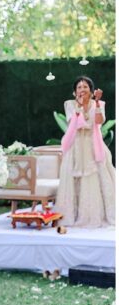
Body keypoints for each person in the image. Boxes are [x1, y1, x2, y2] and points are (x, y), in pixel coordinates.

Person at [57, 76, 115, 228]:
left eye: (85, 87)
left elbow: (98, 121)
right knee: (73, 180)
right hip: (76, 146)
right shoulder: (69, 104)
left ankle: (94, 214)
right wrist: (81, 107)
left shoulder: (99, 103)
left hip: (93, 145)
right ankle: (73, 214)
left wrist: (95, 103)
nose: (82, 89)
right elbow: (73, 123)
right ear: (74, 92)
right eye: (79, 87)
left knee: (95, 178)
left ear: (91, 90)